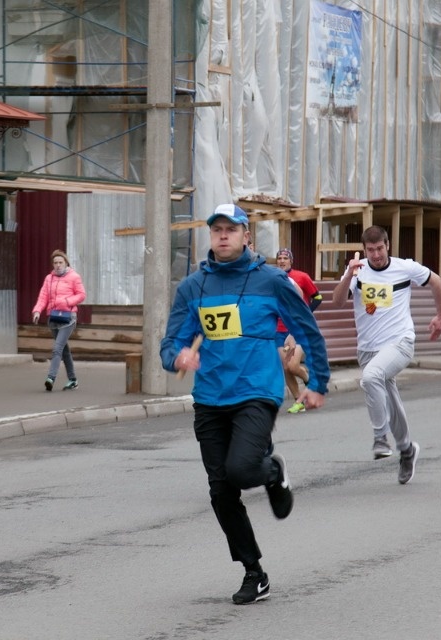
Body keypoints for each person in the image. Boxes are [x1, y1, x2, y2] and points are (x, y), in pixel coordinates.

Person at [160, 203, 330, 605]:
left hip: (256, 391)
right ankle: (254, 571)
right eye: (217, 229)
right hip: (210, 397)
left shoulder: (271, 281)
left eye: (231, 229)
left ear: (246, 236)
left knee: (240, 469)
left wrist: (318, 382)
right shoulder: (193, 287)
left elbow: (307, 329)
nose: (223, 235)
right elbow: (172, 342)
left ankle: (272, 471)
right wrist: (177, 357)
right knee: (221, 490)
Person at [331, 225, 441, 484]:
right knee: (389, 399)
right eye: (370, 250)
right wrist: (349, 274)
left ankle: (380, 438)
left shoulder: (405, 267)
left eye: (380, 249)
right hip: (368, 348)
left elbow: (436, 281)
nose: (376, 255)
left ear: (388, 246)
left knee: (371, 378)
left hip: (400, 342)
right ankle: (407, 449)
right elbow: (337, 301)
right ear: (364, 250)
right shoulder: (357, 271)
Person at [274, 248, 323, 414]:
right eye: (279, 258)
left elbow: (318, 298)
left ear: (291, 261)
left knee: (293, 366)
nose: (282, 261)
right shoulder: (272, 279)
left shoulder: (301, 277)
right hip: (279, 330)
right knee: (286, 367)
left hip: (298, 330)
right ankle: (298, 401)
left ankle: (311, 381)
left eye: (285, 258)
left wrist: (305, 313)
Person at [31, 250, 86, 391]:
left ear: (66, 263)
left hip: (68, 317)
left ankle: (51, 378)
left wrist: (67, 301)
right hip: (53, 317)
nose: (58, 265)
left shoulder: (74, 277)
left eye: (60, 262)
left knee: (57, 349)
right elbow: (43, 297)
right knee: (64, 350)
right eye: (55, 263)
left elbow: (81, 295)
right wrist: (37, 311)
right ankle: (73, 380)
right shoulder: (49, 278)